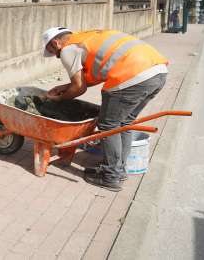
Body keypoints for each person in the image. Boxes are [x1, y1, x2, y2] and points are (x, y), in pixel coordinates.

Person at [42, 27, 168, 191]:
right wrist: (64, 87)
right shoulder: (87, 37)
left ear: (55, 43)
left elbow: (79, 88)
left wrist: (59, 99)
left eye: (52, 51)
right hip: (158, 71)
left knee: (109, 125)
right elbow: (89, 79)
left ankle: (111, 176)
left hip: (131, 75)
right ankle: (118, 170)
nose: (55, 56)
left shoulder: (67, 50)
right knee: (125, 123)